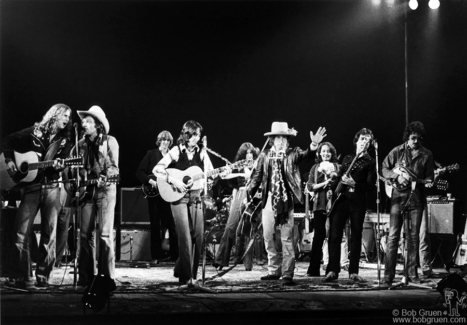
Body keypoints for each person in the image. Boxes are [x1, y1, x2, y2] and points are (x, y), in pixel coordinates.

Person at [2, 104, 73, 289]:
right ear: (54, 114)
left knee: (49, 235)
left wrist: (60, 165)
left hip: (52, 187)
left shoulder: (65, 141)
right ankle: (23, 277)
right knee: (20, 232)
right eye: (63, 115)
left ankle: (43, 277)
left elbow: (62, 161)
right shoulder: (34, 132)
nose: (66, 119)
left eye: (68, 116)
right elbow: (7, 140)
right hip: (31, 187)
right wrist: (9, 160)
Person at [247, 122, 326, 286]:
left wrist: (314, 145)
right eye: (278, 137)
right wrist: (248, 192)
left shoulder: (292, 153)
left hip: (286, 200)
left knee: (287, 238)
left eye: (284, 137)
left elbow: (306, 155)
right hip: (269, 199)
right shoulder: (265, 155)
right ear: (272, 139)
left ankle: (288, 273)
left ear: (287, 139)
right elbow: (257, 177)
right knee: (268, 236)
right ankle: (273, 270)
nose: (281, 140)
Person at [153, 120, 216, 285]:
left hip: (196, 197)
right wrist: (174, 180)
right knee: (184, 237)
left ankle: (186, 270)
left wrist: (213, 177)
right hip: (178, 197)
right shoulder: (175, 151)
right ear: (187, 135)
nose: (197, 138)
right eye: (194, 134)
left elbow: (210, 172)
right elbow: (157, 169)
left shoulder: (202, 152)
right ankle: (186, 278)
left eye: (198, 135)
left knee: (199, 235)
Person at [382, 121, 434, 285]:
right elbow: (383, 168)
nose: (416, 141)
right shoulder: (397, 151)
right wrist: (396, 177)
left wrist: (426, 182)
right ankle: (388, 275)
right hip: (398, 197)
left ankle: (412, 274)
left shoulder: (427, 155)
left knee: (413, 238)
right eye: (413, 138)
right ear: (407, 137)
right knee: (393, 236)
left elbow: (430, 178)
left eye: (419, 138)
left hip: (416, 198)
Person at [324, 128, 376, 282]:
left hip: (358, 201)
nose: (364, 142)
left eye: (367, 140)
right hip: (341, 200)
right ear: (357, 141)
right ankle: (332, 270)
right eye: (362, 139)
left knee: (355, 236)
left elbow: (370, 186)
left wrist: (355, 183)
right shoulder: (347, 158)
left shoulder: (371, 162)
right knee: (334, 235)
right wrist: (331, 191)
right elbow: (339, 178)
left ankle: (353, 271)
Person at [75, 106, 119, 288]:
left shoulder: (110, 142)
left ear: (98, 125)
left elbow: (114, 168)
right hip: (87, 192)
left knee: (105, 235)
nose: (83, 123)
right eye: (83, 120)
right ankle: (86, 277)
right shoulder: (80, 145)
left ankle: (106, 278)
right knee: (84, 235)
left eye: (87, 121)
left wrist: (106, 177)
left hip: (105, 190)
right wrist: (75, 177)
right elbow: (72, 167)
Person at [212, 142, 259, 271]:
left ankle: (248, 264)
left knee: (248, 229)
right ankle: (221, 259)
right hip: (241, 193)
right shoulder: (239, 165)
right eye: (246, 153)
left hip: (253, 196)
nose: (249, 156)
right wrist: (234, 173)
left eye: (251, 153)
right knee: (230, 226)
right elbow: (226, 175)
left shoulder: (258, 164)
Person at [136, 130, 178, 264]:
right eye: (163, 140)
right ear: (159, 141)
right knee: (155, 224)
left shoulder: (173, 157)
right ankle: (156, 256)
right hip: (154, 194)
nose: (165, 142)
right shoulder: (151, 154)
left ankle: (175, 256)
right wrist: (152, 182)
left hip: (167, 195)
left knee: (172, 224)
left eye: (168, 141)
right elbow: (140, 172)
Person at [305, 142, 339, 277]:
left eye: (328, 151)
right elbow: (310, 186)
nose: (326, 153)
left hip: (334, 205)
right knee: (318, 237)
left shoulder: (337, 166)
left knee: (333, 237)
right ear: (319, 153)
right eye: (323, 151)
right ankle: (313, 269)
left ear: (332, 153)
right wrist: (324, 183)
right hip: (319, 205)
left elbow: (339, 183)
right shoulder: (315, 167)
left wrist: (332, 178)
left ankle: (331, 269)